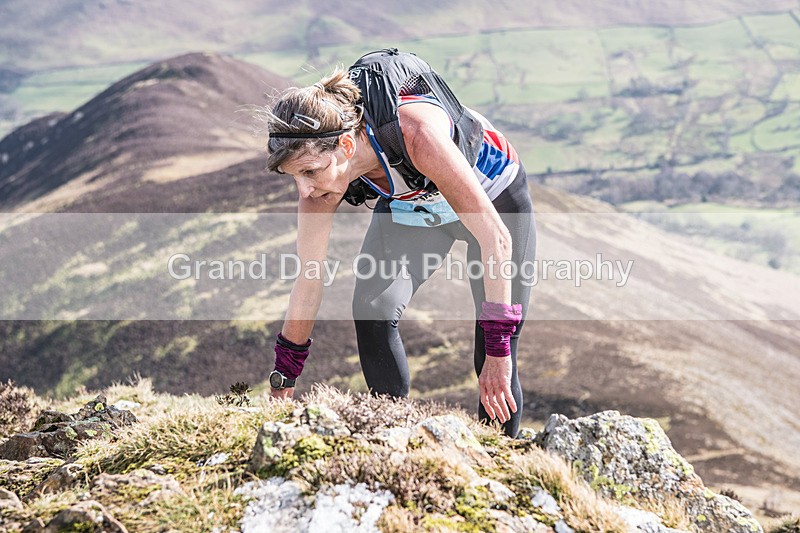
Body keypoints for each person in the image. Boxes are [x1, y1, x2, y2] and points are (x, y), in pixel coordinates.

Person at [264, 49, 536, 437]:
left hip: (494, 197)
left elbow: (496, 238)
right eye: (294, 176)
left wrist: (499, 352)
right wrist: (284, 376)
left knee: (495, 348)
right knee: (372, 310)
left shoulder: (417, 135)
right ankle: (393, 435)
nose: (304, 189)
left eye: (310, 171)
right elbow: (308, 279)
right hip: (415, 205)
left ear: (345, 147)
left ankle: (498, 456)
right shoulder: (319, 187)